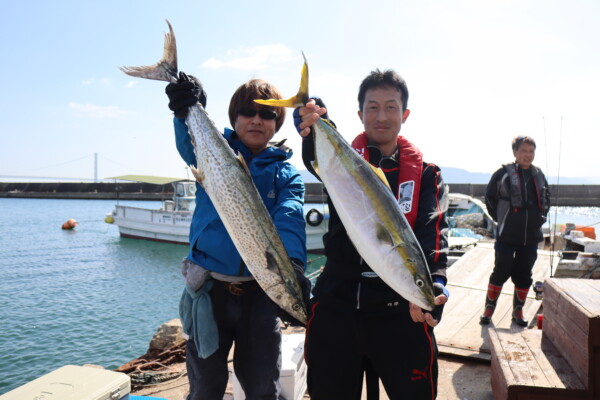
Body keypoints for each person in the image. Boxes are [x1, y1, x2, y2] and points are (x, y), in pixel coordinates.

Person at [294, 69, 449, 400]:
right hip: (337, 303)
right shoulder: (340, 161)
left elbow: (432, 231)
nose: (382, 116)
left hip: (399, 311)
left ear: (404, 114)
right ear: (360, 114)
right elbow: (315, 156)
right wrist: (313, 123)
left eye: (391, 107)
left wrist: (434, 283)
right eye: (373, 107)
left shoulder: (425, 174)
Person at [165, 73, 310, 400]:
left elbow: (289, 218)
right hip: (210, 291)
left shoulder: (286, 175)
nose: (257, 120)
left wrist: (295, 268)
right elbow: (189, 144)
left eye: (268, 114)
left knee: (262, 388)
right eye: (248, 112)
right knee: (205, 387)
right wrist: (186, 109)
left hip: (260, 296)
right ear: (235, 118)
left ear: (277, 123)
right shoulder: (215, 150)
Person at [480, 136, 550, 327]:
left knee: (524, 275)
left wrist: (539, 219)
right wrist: (501, 219)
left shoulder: (539, 175)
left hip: (530, 237)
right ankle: (489, 309)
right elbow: (489, 197)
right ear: (515, 152)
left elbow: (546, 200)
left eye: (531, 151)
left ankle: (518, 311)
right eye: (524, 151)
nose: (528, 155)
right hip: (506, 236)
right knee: (500, 271)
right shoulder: (502, 173)